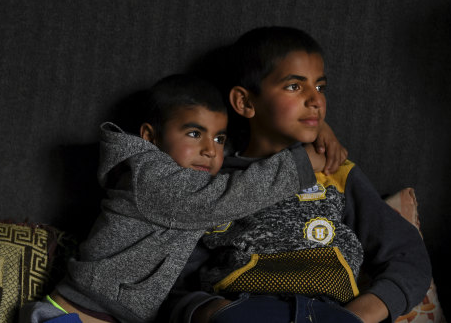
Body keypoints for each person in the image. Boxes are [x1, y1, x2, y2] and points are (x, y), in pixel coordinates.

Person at [19, 74, 347, 323]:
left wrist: (317, 129)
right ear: (150, 137)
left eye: (219, 138)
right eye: (194, 133)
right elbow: (220, 198)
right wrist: (302, 163)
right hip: (75, 314)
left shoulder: (192, 171)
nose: (210, 149)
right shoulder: (148, 176)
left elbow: (256, 140)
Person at [166, 27, 432, 323]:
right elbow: (171, 274)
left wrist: (360, 315)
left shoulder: (336, 172)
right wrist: (208, 310)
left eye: (320, 87)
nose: (315, 100)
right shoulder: (213, 181)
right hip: (242, 310)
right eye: (294, 86)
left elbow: (409, 256)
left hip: (328, 312)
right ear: (245, 102)